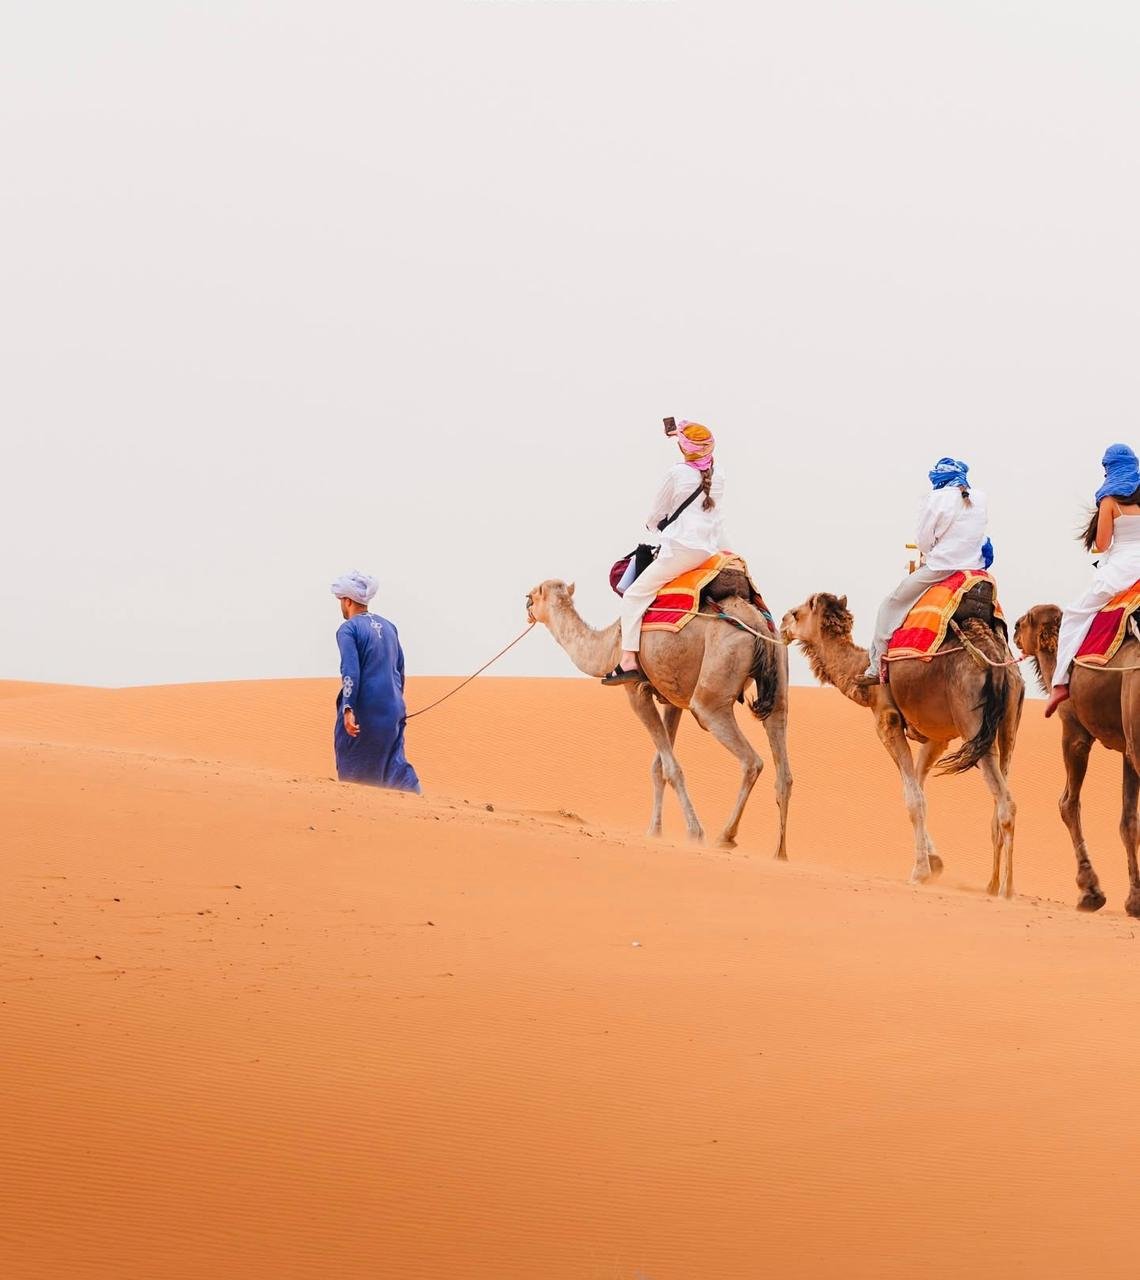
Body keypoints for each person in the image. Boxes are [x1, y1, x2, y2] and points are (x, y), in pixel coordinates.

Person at [603, 421, 726, 685]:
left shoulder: (677, 473)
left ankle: (628, 660)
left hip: (682, 551)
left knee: (634, 595)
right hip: (711, 551)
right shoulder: (720, 475)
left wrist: (653, 525)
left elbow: (656, 515)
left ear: (683, 447)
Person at [863, 457, 991, 682]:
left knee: (890, 605)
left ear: (938, 478)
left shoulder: (935, 499)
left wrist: (933, 549)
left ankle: (877, 666)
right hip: (976, 568)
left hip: (941, 568)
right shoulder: (980, 497)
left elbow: (923, 542)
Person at [1045, 444, 1140, 717]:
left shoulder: (1110, 501)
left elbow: (1102, 544)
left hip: (1121, 571)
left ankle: (1060, 682)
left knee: (1075, 614)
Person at [331, 570, 421, 792]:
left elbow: (350, 671)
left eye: (340, 601)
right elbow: (399, 669)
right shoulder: (389, 626)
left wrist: (348, 708)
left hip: (365, 712)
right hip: (393, 709)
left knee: (355, 773)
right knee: (394, 766)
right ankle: (420, 804)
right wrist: (397, 705)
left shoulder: (348, 629)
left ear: (347, 601)